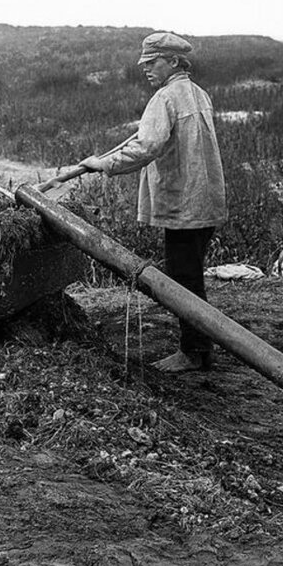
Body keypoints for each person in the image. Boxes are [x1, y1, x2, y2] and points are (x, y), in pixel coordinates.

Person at [76, 31, 227, 372]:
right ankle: (199, 347)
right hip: (204, 201)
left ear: (173, 61)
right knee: (190, 277)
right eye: (144, 63)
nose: (146, 69)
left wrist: (104, 164)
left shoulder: (166, 98)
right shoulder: (196, 93)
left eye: (152, 62)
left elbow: (147, 147)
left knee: (183, 282)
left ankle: (192, 352)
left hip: (184, 204)